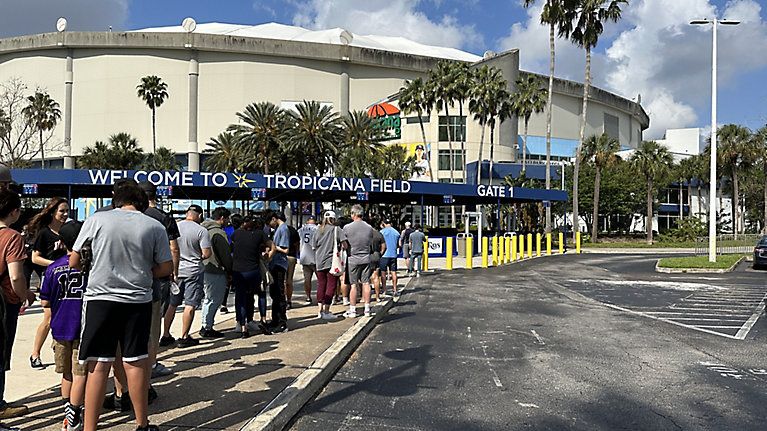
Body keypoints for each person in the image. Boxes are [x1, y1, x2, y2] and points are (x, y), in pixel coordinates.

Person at [70, 181, 173, 431]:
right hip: (137, 301)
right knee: (135, 361)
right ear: (142, 202)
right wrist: (142, 269)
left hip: (99, 300)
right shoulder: (155, 226)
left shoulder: (96, 220)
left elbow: (74, 260)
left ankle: (90, 427)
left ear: (116, 200)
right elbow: (166, 268)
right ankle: (142, 424)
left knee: (98, 364)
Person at [39, 221, 86, 431]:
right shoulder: (88, 267)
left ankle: (67, 409)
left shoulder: (53, 268)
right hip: (83, 326)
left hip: (60, 326)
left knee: (66, 373)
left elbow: (45, 301)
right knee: (80, 373)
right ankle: (75, 412)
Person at [0, 189, 35, 423]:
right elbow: (15, 276)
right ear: (14, 212)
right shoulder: (12, 237)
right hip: (3, 303)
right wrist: (25, 295)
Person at [27, 197, 69, 369]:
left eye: (67, 211)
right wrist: (55, 265)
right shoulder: (44, 233)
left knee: (64, 315)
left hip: (67, 280)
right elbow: (34, 258)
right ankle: (35, 353)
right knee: (49, 316)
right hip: (50, 278)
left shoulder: (68, 231)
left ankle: (56, 345)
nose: (65, 214)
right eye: (61, 211)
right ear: (53, 212)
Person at [162, 205, 211, 348]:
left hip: (176, 271)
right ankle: (184, 337)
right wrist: (198, 255)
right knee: (190, 304)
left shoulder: (175, 226)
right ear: (199, 216)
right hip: (193, 271)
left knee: (172, 304)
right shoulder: (201, 231)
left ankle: (165, 335)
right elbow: (206, 253)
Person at [231, 216, 270, 338]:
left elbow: (232, 247)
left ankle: (243, 328)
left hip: (238, 271)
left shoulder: (236, 234)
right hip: (253, 270)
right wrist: (267, 256)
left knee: (241, 298)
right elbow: (271, 245)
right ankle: (263, 320)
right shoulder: (260, 234)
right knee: (261, 293)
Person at [200, 207, 232, 338]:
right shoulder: (218, 233)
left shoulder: (202, 229)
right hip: (216, 269)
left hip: (203, 268)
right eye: (227, 219)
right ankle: (207, 327)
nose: (228, 221)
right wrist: (230, 270)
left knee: (208, 299)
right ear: (222, 218)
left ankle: (205, 324)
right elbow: (225, 254)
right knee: (214, 299)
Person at [311, 211, 346, 320]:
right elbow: (345, 244)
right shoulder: (336, 229)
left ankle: (320, 310)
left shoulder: (318, 230)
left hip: (319, 260)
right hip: (332, 261)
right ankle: (326, 310)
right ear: (334, 219)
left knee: (321, 284)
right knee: (331, 285)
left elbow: (313, 246)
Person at [342, 205, 374, 318]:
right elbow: (370, 242)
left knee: (354, 285)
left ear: (353, 214)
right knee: (366, 283)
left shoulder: (347, 227)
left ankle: (353, 310)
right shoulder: (369, 227)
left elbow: (344, 244)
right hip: (366, 257)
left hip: (353, 258)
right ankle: (367, 309)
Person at [266, 211, 290, 333]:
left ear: (274, 219)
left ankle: (281, 321)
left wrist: (273, 247)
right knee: (274, 293)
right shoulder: (278, 229)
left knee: (279, 294)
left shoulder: (283, 229)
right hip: (274, 264)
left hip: (279, 264)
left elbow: (286, 249)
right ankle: (275, 319)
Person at [297, 216, 318, 304]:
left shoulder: (301, 229)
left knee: (307, 279)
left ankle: (308, 297)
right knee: (320, 279)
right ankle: (320, 297)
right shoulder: (318, 229)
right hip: (316, 257)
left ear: (308, 221)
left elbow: (297, 242)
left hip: (304, 256)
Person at [379, 219, 400, 297]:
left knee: (383, 273)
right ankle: (395, 289)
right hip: (393, 254)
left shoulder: (382, 232)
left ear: (384, 223)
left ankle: (384, 290)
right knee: (394, 272)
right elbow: (399, 244)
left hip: (384, 255)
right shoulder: (396, 232)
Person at [369, 218, 386, 303]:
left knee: (365, 279)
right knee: (376, 277)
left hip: (367, 256)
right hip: (376, 255)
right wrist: (380, 253)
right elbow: (384, 246)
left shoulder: (365, 233)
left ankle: (365, 298)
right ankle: (377, 297)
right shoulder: (379, 234)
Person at [284, 222, 300, 309]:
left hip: (280, 256)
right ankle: (289, 301)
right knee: (289, 280)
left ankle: (283, 300)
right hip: (291, 256)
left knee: (282, 281)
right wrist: (297, 254)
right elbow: (297, 243)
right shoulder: (292, 230)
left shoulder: (277, 230)